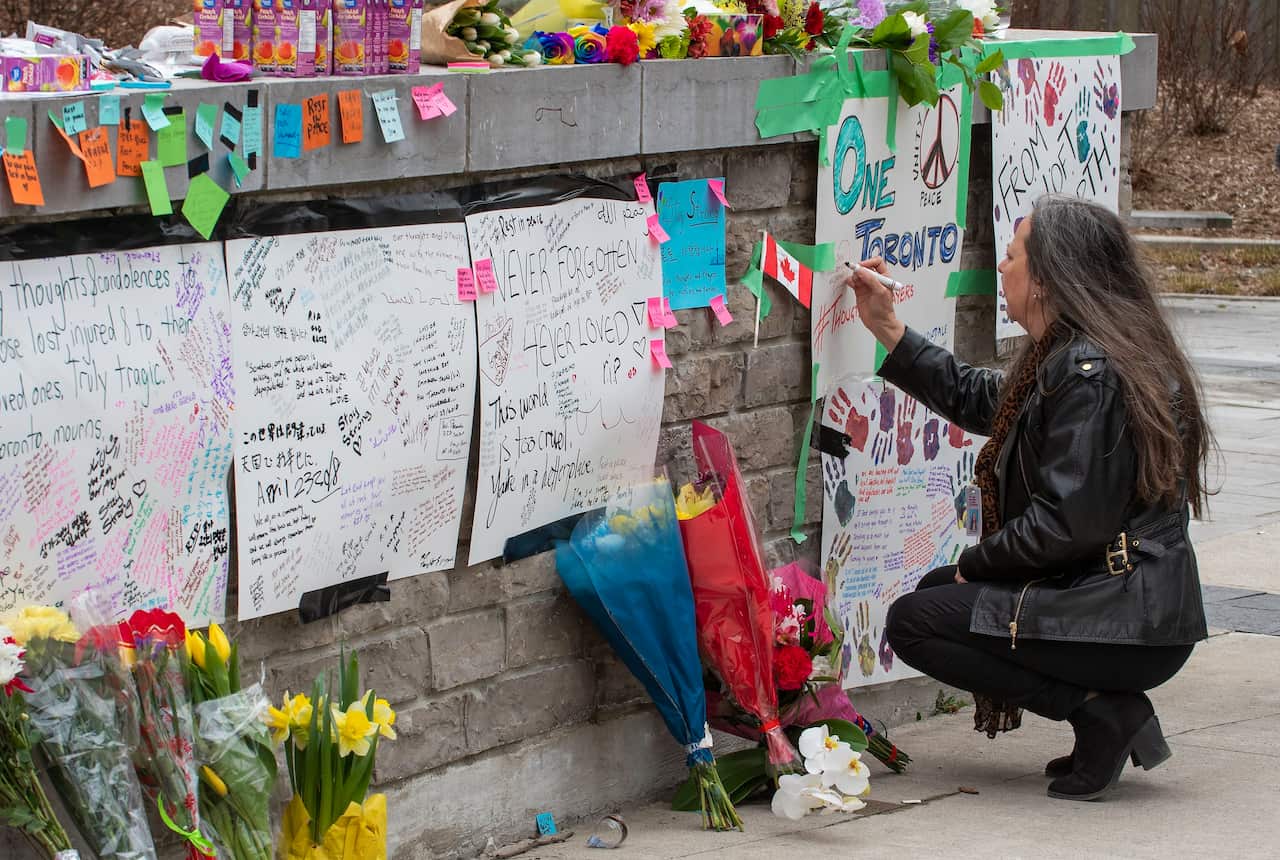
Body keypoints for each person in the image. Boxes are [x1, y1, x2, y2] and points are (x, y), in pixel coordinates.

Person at [845, 195, 1212, 802]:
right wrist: (887, 325)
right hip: (1125, 605)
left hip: (1124, 617)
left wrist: (973, 566)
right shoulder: (1077, 355)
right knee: (936, 597)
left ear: (1044, 279)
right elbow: (981, 400)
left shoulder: (1091, 372)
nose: (1002, 267)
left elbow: (1065, 526)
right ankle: (1102, 709)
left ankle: (1100, 712)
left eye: (1012, 256)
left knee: (915, 620)